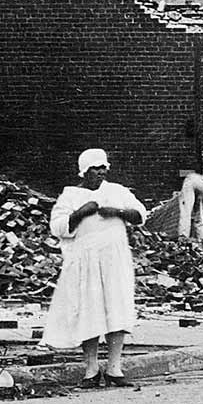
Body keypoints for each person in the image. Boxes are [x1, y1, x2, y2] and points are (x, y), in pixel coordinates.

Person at [45, 148, 145, 387]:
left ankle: (114, 368)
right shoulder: (70, 195)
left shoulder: (116, 191)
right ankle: (91, 369)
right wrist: (80, 213)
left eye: (103, 168)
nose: (100, 173)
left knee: (116, 309)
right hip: (85, 260)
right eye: (95, 169)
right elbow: (57, 226)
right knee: (88, 311)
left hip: (115, 259)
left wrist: (117, 212)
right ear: (84, 171)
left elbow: (140, 214)